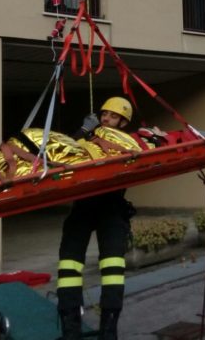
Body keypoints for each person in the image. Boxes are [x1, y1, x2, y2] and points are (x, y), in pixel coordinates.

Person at [57, 97, 142, 340]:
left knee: (113, 270)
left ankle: (108, 332)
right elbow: (64, 152)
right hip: (83, 209)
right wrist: (84, 130)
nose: (105, 118)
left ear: (123, 123)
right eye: (104, 114)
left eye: (112, 116)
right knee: (68, 267)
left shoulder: (129, 143)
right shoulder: (86, 139)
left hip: (111, 211)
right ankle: (70, 330)